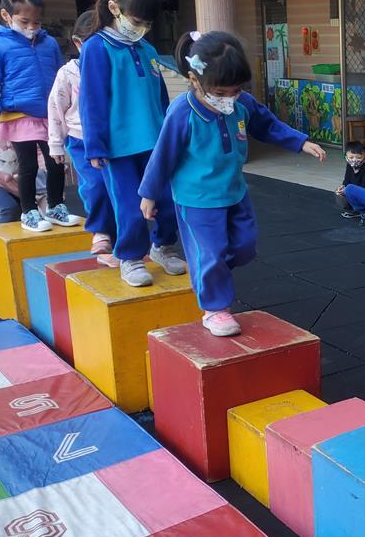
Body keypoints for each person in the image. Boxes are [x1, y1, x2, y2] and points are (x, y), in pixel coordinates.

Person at [139, 31, 325, 337]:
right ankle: (215, 308)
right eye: (221, 92)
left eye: (236, 91)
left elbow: (267, 124)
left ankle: (209, 268)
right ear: (195, 80)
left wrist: (300, 141)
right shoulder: (183, 112)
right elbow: (163, 155)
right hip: (197, 199)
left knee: (244, 247)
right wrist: (149, 194)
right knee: (210, 253)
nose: (229, 98)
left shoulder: (241, 104)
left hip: (234, 192)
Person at [79, 0, 186, 286]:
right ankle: (130, 256)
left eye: (148, 24)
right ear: (114, 8)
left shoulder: (147, 49)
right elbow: (92, 100)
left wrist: (171, 136)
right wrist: (95, 145)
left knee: (167, 200)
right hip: (118, 147)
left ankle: (163, 246)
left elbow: (161, 97)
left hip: (155, 143)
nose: (142, 28)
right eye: (137, 21)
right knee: (128, 206)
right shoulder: (97, 47)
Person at [0, 0, 81, 232]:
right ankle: (29, 212)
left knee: (56, 161)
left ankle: (55, 206)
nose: (32, 27)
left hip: (48, 114)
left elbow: (60, 78)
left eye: (37, 22)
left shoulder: (49, 44)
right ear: (6, 16)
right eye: (24, 21)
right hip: (18, 115)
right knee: (28, 165)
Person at [48, 10, 119, 266]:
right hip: (81, 140)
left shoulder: (114, 67)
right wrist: (56, 143)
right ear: (78, 43)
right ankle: (101, 231)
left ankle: (120, 243)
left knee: (118, 191)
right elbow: (55, 108)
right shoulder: (68, 73)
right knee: (95, 186)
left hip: (113, 139)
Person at [335, 141, 365, 218]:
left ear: (364, 157)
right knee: (339, 195)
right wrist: (342, 188)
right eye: (351, 157)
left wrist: (350, 191)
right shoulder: (349, 166)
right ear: (346, 157)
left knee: (351, 193)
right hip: (355, 193)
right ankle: (355, 210)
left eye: (359, 157)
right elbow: (346, 181)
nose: (354, 160)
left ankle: (364, 211)